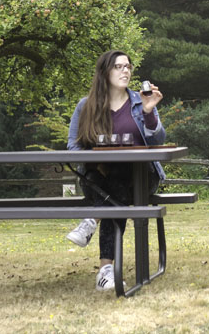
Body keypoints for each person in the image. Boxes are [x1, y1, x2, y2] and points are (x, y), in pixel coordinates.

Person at [65, 50, 166, 291]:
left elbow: (157, 140)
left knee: (118, 181)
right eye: (119, 67)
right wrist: (98, 160)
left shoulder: (139, 101)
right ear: (105, 72)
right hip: (98, 180)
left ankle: (93, 224)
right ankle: (106, 273)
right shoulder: (86, 106)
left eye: (128, 67)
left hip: (140, 178)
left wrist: (149, 112)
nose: (126, 71)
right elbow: (72, 146)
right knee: (110, 191)